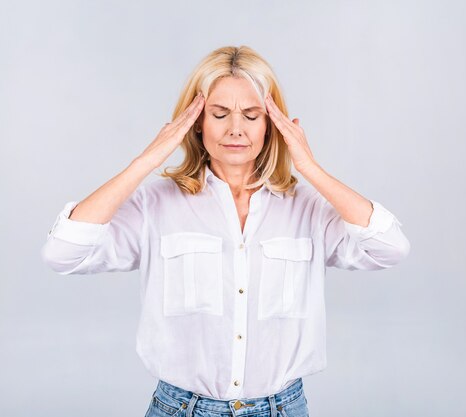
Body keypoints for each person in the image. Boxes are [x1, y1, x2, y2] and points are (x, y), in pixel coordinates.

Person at [41, 45, 411, 417]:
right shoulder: (154, 206)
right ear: (197, 121)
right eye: (220, 114)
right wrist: (148, 159)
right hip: (181, 408)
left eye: (252, 115)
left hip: (281, 408)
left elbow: (389, 248)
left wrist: (310, 168)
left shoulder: (309, 209)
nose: (236, 129)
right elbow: (63, 253)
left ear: (270, 124)